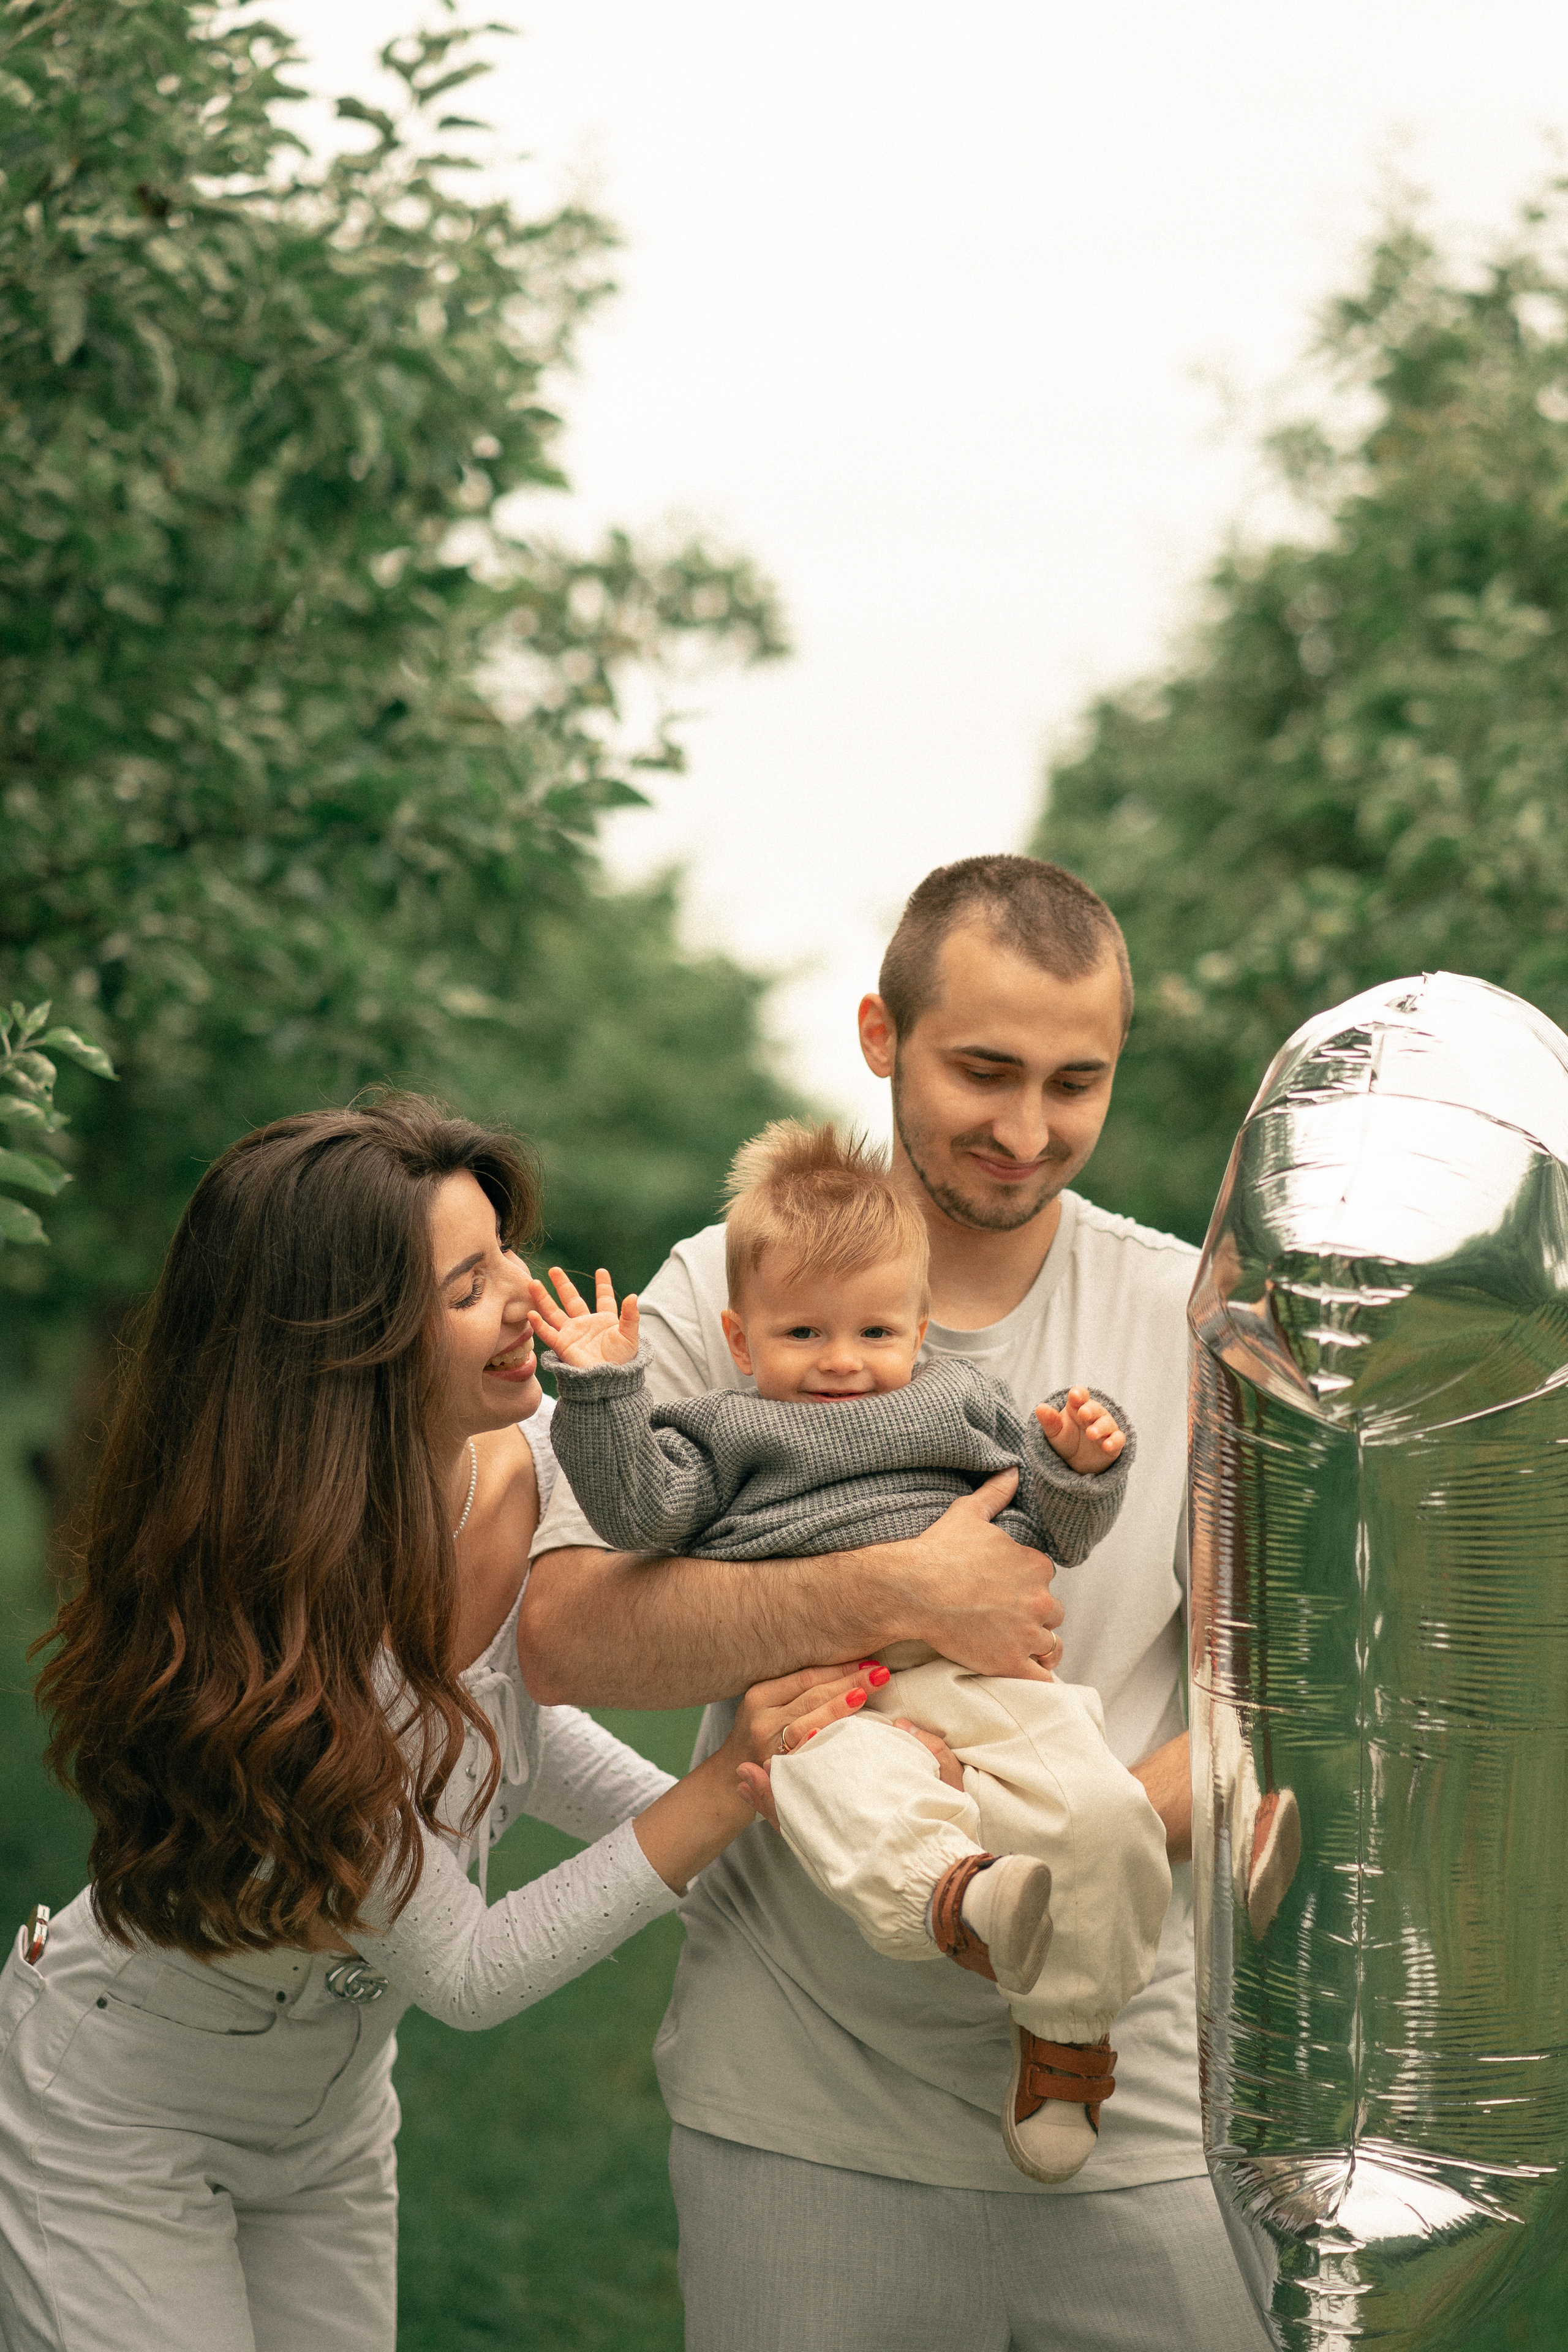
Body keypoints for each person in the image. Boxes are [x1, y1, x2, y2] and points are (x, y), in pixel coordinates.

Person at [519, 855, 1272, 2350]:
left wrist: (1062, 1831)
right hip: (805, 2106)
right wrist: (895, 1588)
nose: (1023, 1129)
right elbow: (564, 1634)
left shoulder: (1191, 1320)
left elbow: (1285, 1700)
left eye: (1075, 1082)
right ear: (879, 1036)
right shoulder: (713, 1295)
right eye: (981, 1070)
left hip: (1142, 2104)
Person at [0, 1099, 875, 2352]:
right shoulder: (281, 1626)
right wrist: (721, 1789)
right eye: (469, 1287)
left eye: (505, 1248)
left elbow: (499, 1731)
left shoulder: (527, 1457)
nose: (526, 1297)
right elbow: (466, 1970)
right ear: (345, 1350)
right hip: (123, 2110)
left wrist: (763, 1846)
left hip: (338, 2116)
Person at [529, 1120, 1172, 2185]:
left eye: (875, 1332)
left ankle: (1067, 2037)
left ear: (922, 1330)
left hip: (984, 1670)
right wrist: (606, 1390)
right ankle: (954, 1899)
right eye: (803, 1335)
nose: (841, 1362)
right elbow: (640, 1510)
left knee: (1106, 1811)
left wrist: (1074, 1465)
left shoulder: (960, 1405)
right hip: (836, 1688)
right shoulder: (723, 1434)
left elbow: (1054, 1532)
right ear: (742, 1341)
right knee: (835, 1777)